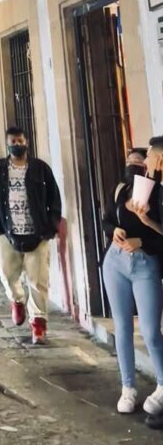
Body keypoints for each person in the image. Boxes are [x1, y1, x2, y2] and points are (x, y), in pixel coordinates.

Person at [101, 145, 163, 416]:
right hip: (115, 262)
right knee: (122, 328)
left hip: (144, 264)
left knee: (150, 331)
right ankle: (128, 387)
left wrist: (142, 239)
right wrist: (114, 230)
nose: (135, 163)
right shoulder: (121, 190)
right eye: (131, 160)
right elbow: (105, 220)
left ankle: (162, 384)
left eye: (141, 158)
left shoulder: (159, 194)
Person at [0, 125, 62, 344]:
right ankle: (16, 300)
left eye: (20, 141)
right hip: (7, 233)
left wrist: (51, 226)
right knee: (7, 274)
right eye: (13, 141)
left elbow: (53, 198)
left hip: (37, 233)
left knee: (38, 281)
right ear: (7, 144)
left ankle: (38, 324)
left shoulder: (40, 169)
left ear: (27, 142)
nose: (17, 145)